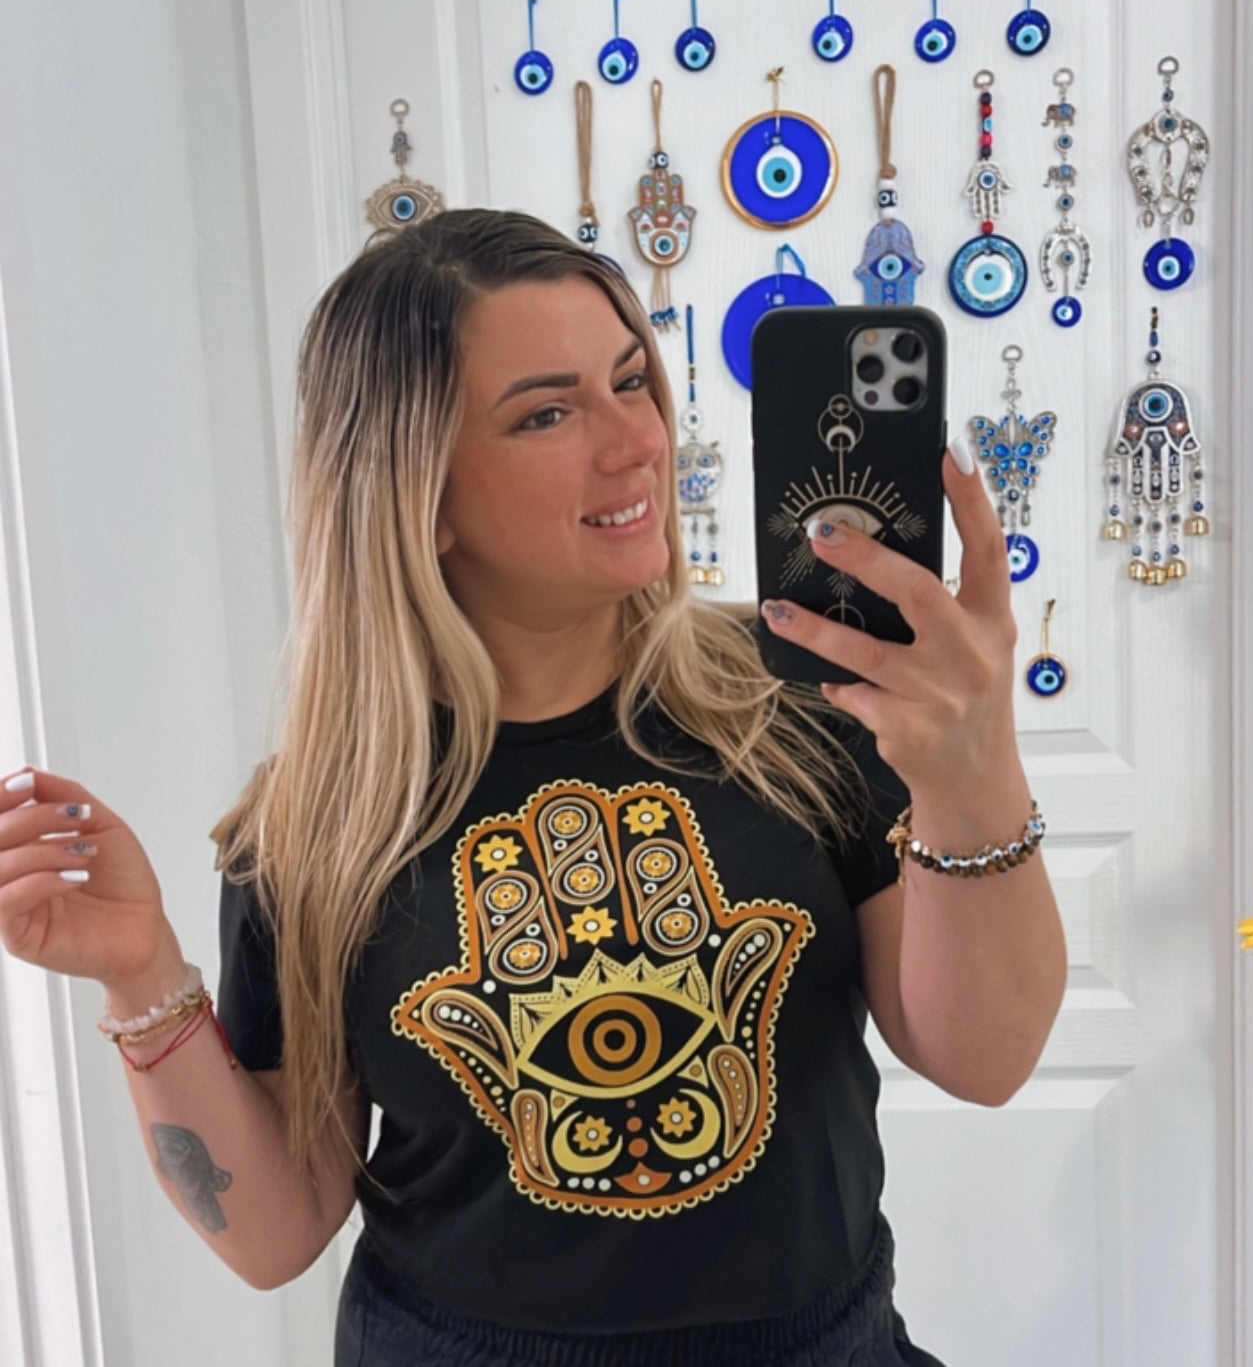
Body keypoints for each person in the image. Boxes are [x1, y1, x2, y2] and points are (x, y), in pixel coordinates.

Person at [0, 209, 1066, 1367]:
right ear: (420, 495)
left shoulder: (797, 705)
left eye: (631, 381)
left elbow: (986, 1056)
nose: (638, 442)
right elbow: (276, 1229)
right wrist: (141, 974)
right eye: (548, 413)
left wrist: (972, 769)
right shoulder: (319, 822)